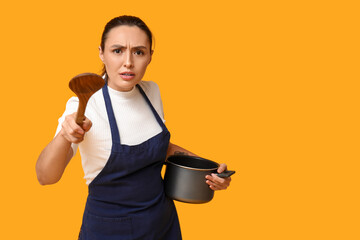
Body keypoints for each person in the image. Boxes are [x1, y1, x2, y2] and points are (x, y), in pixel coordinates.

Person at [36, 15, 232, 240]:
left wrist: (210, 171)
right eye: (117, 51)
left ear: (150, 56)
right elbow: (45, 176)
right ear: (102, 53)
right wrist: (65, 134)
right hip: (109, 231)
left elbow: (160, 147)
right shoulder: (85, 102)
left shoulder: (151, 92)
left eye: (139, 52)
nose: (128, 62)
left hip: (162, 225)